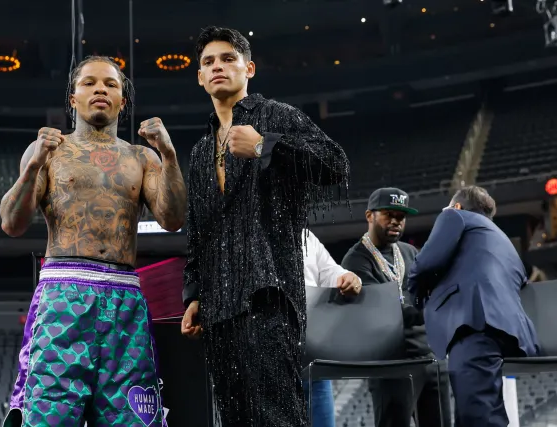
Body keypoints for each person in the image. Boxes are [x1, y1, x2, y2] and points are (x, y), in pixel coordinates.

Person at [0, 56, 187, 427]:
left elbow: (173, 218)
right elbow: (11, 223)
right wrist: (33, 166)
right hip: (62, 294)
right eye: (89, 83)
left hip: (125, 299)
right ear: (73, 98)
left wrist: (169, 154)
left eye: (110, 84)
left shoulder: (143, 157)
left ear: (123, 101)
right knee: (49, 417)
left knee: (133, 419)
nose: (100, 89)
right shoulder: (48, 153)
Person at [180, 26, 350, 426]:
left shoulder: (276, 115)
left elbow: (336, 164)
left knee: (278, 415)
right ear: (200, 77)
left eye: (228, 58)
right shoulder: (202, 151)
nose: (218, 66)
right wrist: (194, 293)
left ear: (249, 68)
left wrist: (263, 146)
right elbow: (199, 231)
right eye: (208, 62)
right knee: (235, 418)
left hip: (270, 294)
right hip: (220, 306)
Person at [407, 186, 540, 427]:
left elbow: (425, 263)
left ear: (457, 206)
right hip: (509, 329)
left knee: (476, 415)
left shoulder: (454, 216)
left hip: (474, 322)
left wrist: (414, 297)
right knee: (484, 407)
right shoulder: (503, 240)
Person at [340, 187, 451, 427]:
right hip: (392, 365)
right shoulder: (356, 259)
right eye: (388, 214)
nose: (395, 222)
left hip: (431, 359)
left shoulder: (409, 252)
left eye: (401, 217)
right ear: (370, 215)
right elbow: (381, 313)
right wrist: (428, 307)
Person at [301, 228, 362, 427]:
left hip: (313, 353)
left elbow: (331, 272)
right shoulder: (244, 231)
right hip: (265, 355)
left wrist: (349, 277)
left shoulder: (305, 236)